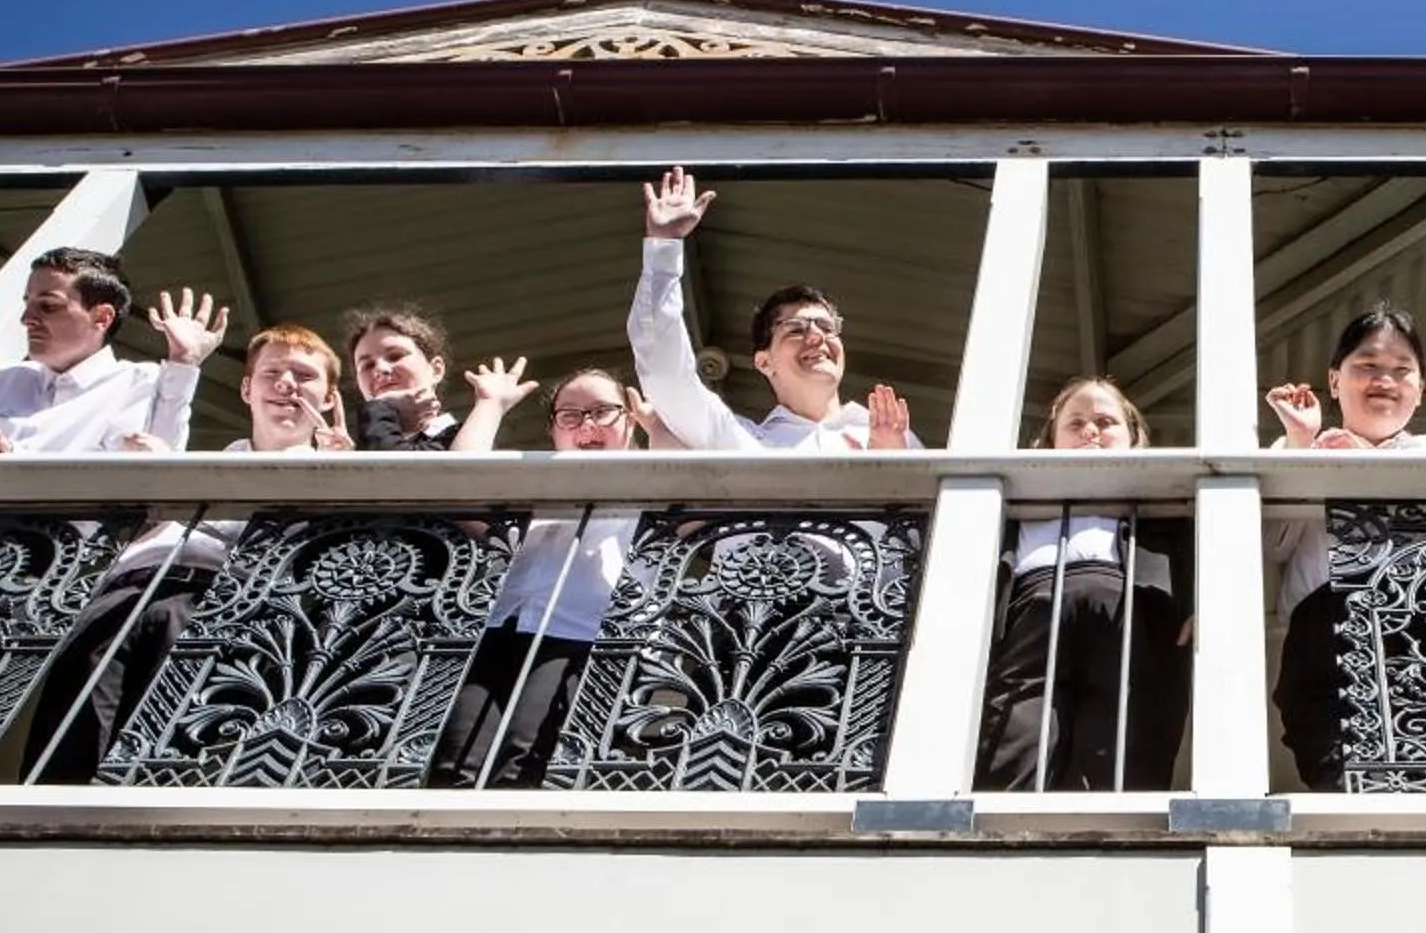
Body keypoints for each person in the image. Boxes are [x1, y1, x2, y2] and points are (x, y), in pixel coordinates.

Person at [21, 323, 351, 784]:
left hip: (214, 603)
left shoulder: (333, 472)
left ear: (330, 399)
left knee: (156, 741)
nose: (287, 384)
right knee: (73, 733)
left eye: (305, 375)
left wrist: (340, 477)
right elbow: (149, 489)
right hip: (123, 593)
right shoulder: (206, 461)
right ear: (246, 388)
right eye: (272, 371)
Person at [424, 356, 667, 789]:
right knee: (452, 765)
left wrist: (661, 431)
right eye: (570, 415)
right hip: (503, 628)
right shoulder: (534, 485)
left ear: (629, 422)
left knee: (525, 765)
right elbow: (458, 486)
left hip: (588, 641)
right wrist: (490, 405)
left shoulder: (651, 487)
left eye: (602, 412)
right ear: (554, 431)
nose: (587, 425)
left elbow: (694, 498)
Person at [1264, 304, 1426, 791]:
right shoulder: (1299, 449)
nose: (1385, 380)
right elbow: (1274, 542)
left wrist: (1367, 473)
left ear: (1421, 389)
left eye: (1402, 370)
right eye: (1367, 366)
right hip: (1323, 625)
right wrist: (1300, 444)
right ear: (1334, 381)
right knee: (1338, 774)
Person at [976, 376, 1192, 792]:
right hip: (1031, 611)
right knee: (1015, 736)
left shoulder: (1163, 495)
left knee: (1122, 744)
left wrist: (1200, 603)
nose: (1090, 431)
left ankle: (1107, 845)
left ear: (1133, 440)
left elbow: (1201, 551)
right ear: (1050, 441)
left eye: (1106, 421)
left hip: (1131, 611)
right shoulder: (1015, 494)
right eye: (1075, 424)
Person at [624, 166, 919, 453]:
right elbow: (667, 377)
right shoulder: (744, 445)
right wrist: (663, 246)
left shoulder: (892, 436)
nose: (817, 336)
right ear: (764, 362)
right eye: (796, 329)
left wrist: (892, 461)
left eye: (827, 327)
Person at [0, 247, 226, 457]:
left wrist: (184, 361)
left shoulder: (141, 380)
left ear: (102, 317)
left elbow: (159, 473)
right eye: (27, 304)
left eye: (48, 306)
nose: (26, 319)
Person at [343, 303, 464, 452]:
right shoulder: (353, 452)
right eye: (367, 366)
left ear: (436, 369)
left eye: (395, 356)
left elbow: (391, 471)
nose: (380, 369)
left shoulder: (467, 439)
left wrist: (380, 407)